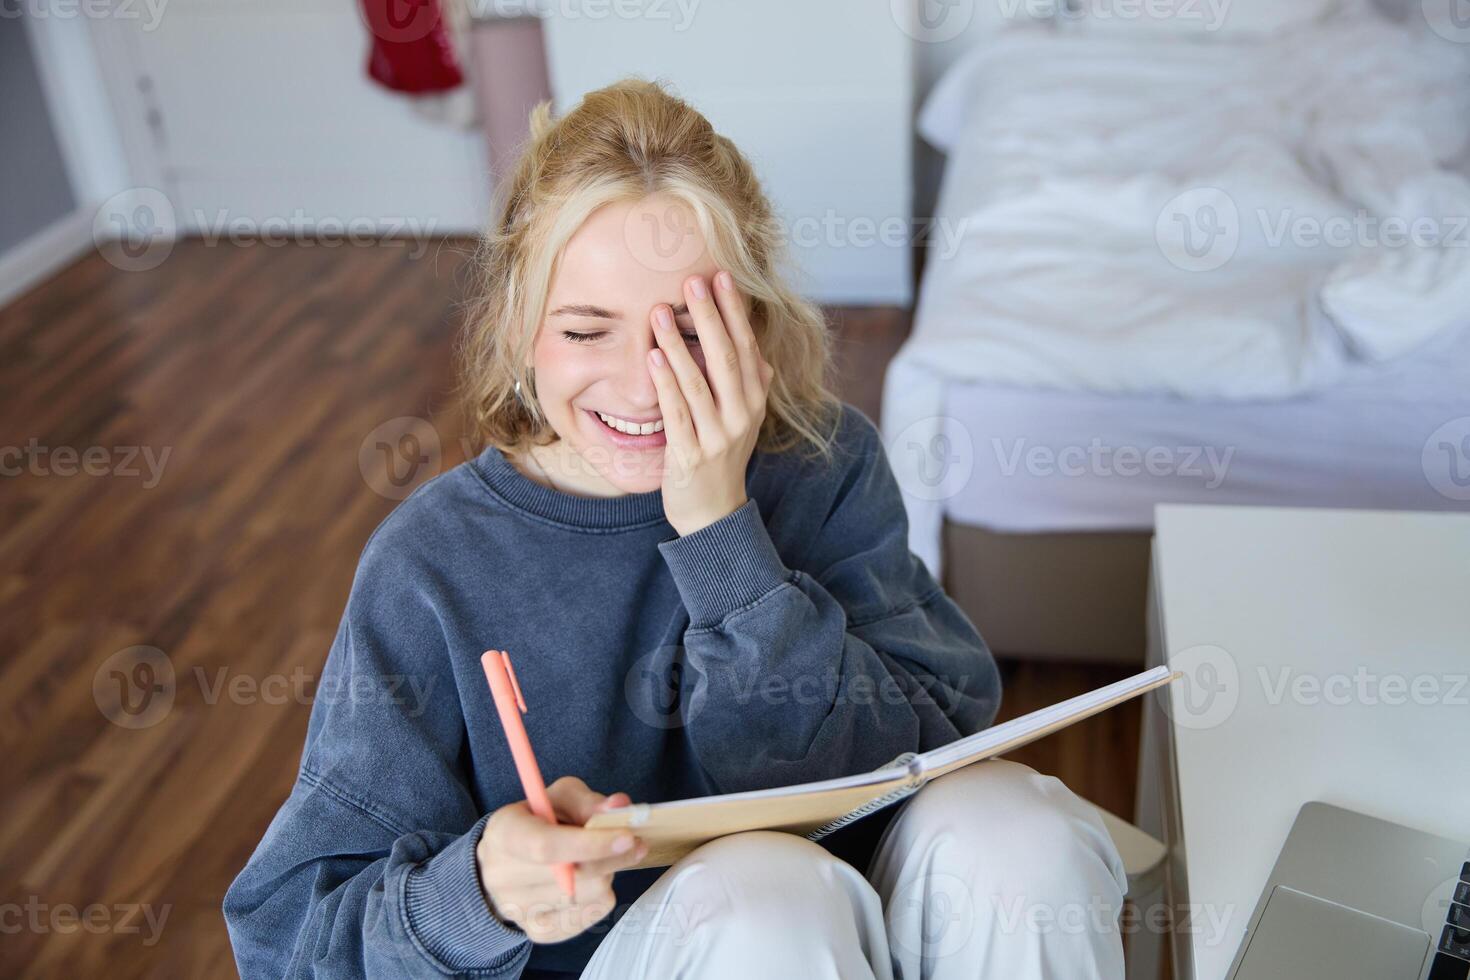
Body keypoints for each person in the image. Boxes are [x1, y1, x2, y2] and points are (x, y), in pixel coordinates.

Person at [223, 76, 1129, 979]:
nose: (644, 385)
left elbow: (924, 751)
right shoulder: (430, 566)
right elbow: (289, 943)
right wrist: (480, 894)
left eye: (692, 334)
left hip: (855, 934)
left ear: (759, 328)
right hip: (702, 949)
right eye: (586, 332)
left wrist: (721, 534)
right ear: (516, 332)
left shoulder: (825, 464)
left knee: (1021, 833)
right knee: (763, 896)